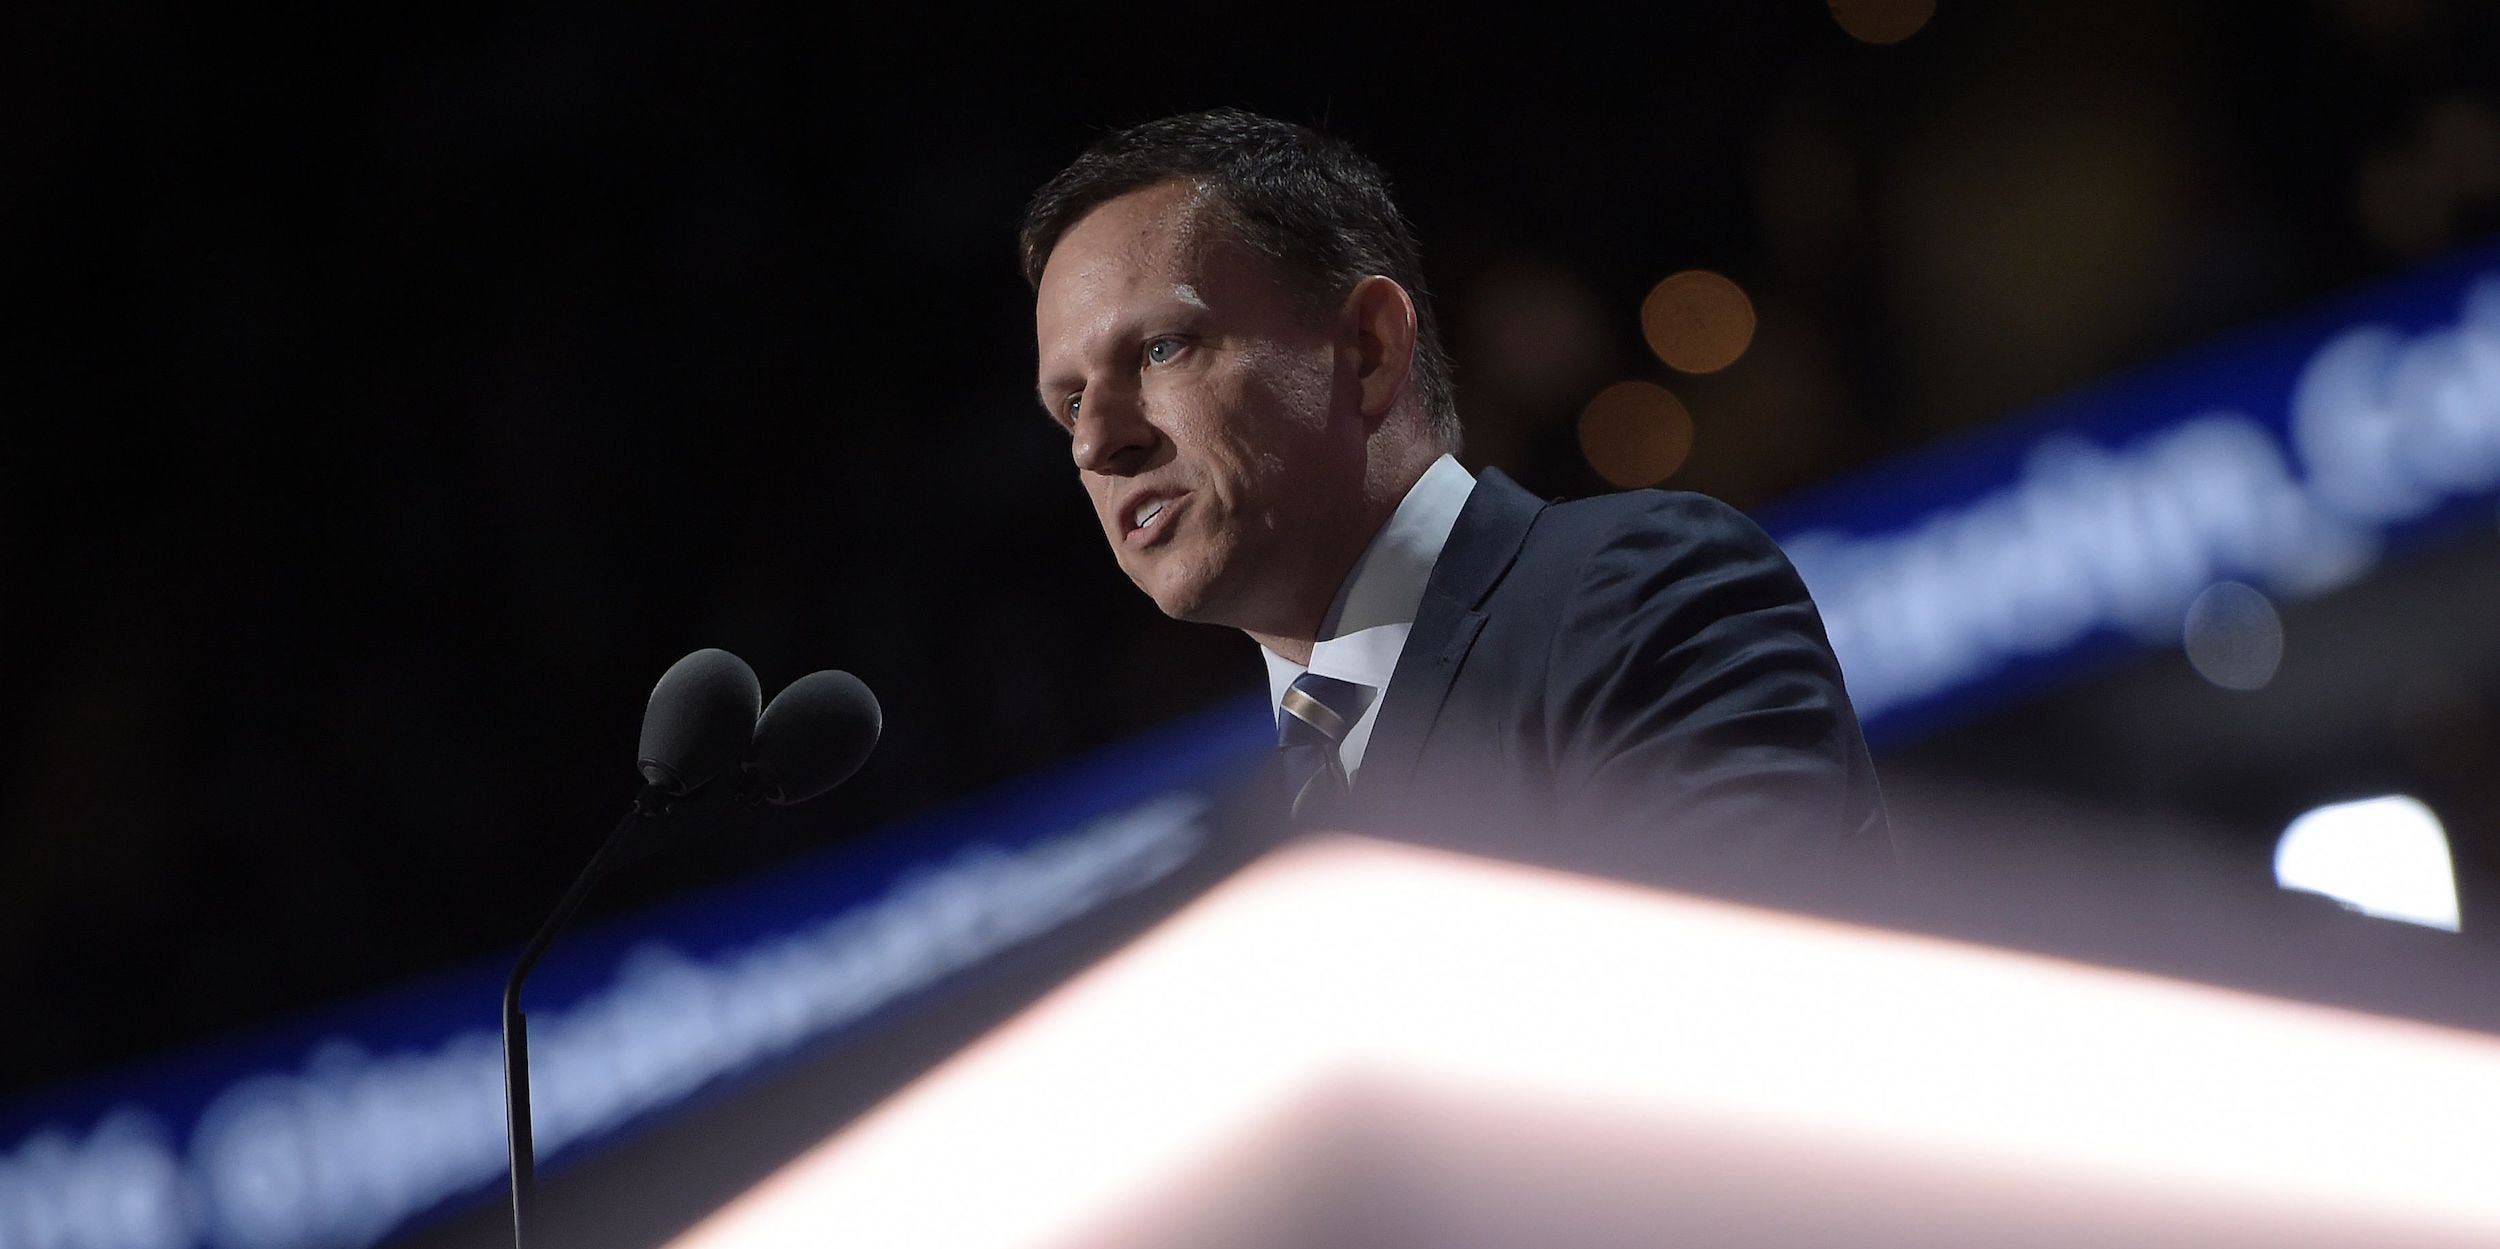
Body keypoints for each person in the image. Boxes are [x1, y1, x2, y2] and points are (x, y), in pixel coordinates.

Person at [1020, 108, 1891, 900]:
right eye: (1067, 405)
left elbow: (1729, 1010)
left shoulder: (1636, 593)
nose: (1097, 441)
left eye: (1163, 349)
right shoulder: (1246, 848)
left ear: (1367, 347)